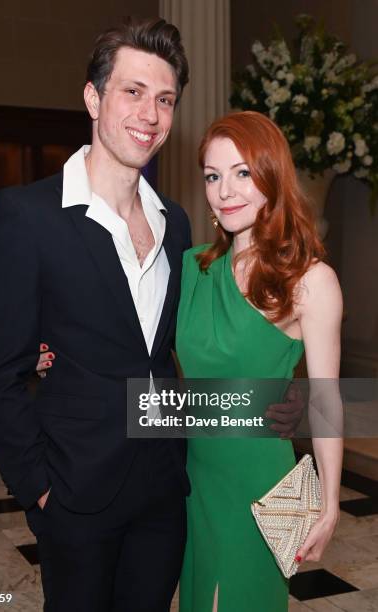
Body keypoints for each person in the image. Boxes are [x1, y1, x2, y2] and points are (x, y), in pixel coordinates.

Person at [0, 17, 302, 612]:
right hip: (74, 494)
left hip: (165, 490)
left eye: (165, 99)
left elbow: (201, 349)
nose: (149, 114)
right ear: (93, 97)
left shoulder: (178, 223)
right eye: (132, 92)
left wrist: (285, 407)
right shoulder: (28, 216)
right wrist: (39, 489)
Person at [176, 111, 343, 612]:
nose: (225, 190)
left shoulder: (311, 281)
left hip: (261, 483)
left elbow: (326, 398)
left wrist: (330, 504)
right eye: (212, 175)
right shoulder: (193, 267)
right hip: (194, 477)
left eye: (242, 173)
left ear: (272, 176)